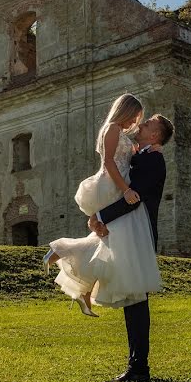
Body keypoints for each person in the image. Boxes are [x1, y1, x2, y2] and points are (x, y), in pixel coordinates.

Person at [42, 94, 161, 317]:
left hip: (120, 183)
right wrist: (125, 190)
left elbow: (130, 158)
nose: (135, 122)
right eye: (134, 116)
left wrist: (150, 148)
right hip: (113, 185)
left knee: (106, 241)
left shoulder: (121, 133)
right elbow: (108, 162)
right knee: (109, 239)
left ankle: (80, 284)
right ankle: (60, 252)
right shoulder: (113, 129)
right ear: (125, 111)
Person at [89, 112, 174, 382]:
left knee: (136, 301)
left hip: (140, 235)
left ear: (154, 135)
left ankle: (139, 368)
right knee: (132, 300)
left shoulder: (154, 160)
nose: (142, 124)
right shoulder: (144, 156)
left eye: (148, 123)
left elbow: (132, 199)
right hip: (130, 234)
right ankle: (136, 365)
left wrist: (99, 216)